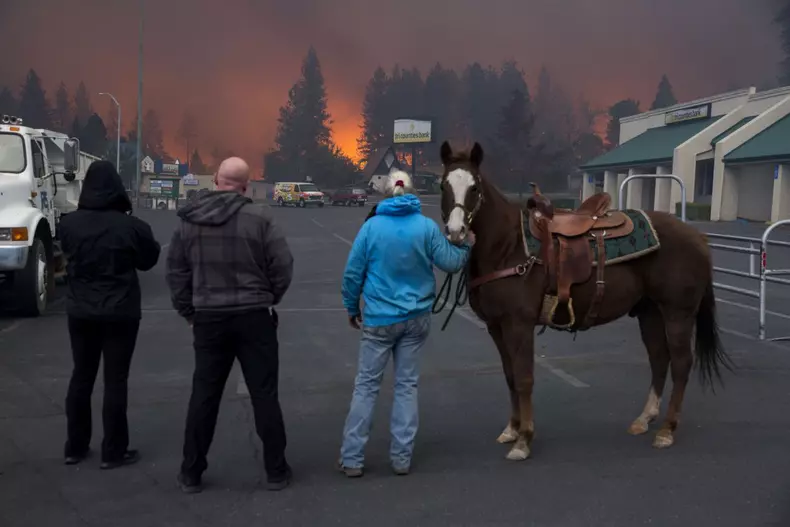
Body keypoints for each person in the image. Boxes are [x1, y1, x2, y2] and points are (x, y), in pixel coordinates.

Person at [166, 157, 294, 494]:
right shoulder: (260, 218)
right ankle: (276, 471)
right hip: (254, 317)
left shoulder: (189, 220)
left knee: (204, 395)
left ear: (216, 181)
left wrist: (189, 312)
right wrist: (269, 296)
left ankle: (191, 472)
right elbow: (282, 264)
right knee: (264, 394)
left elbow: (176, 271)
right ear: (245, 187)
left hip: (209, 319)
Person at [338, 170, 475, 477]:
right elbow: (451, 263)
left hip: (379, 320)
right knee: (406, 386)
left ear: (386, 193)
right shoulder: (425, 227)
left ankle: (352, 458)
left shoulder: (371, 227)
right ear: (412, 192)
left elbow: (352, 273)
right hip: (416, 319)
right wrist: (466, 244)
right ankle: (401, 458)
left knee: (366, 387)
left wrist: (351, 307)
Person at [60, 160, 161, 469]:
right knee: (115, 380)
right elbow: (148, 261)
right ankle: (113, 450)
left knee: (81, 376)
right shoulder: (132, 227)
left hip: (80, 311)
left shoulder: (69, 224)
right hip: (120, 311)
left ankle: (75, 447)